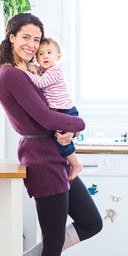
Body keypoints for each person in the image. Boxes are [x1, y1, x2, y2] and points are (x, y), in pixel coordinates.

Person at [0, 12, 103, 256]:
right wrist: (78, 125)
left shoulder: (30, 71)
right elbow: (42, 115)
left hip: (55, 155)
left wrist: (64, 131)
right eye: (25, 37)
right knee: (54, 240)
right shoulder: (10, 75)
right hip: (41, 158)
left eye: (37, 39)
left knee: (91, 222)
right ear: (11, 36)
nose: (31, 44)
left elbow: (52, 111)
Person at [20, 37, 84, 181]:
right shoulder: (44, 70)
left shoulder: (55, 71)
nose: (45, 56)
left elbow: (41, 83)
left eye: (49, 52)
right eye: (41, 54)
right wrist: (34, 67)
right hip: (60, 110)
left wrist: (27, 71)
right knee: (61, 140)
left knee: (62, 141)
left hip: (66, 110)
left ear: (58, 57)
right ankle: (72, 163)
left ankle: (76, 164)